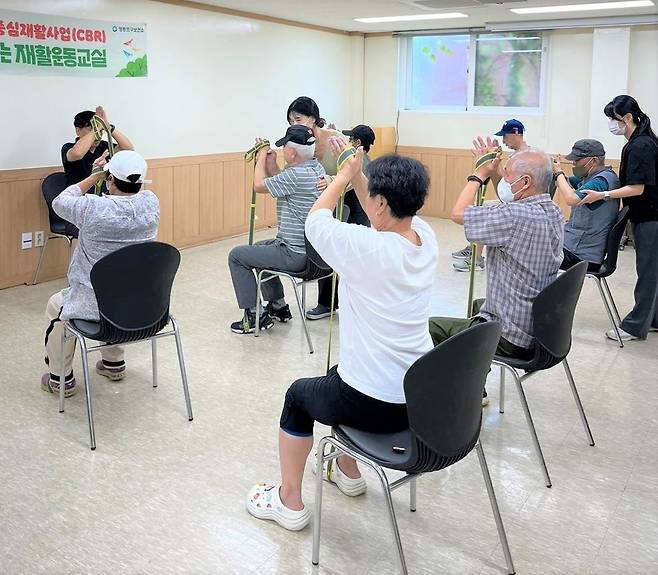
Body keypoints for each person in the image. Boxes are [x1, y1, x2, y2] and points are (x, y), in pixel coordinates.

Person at [245, 150, 437, 531]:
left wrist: (344, 176)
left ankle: (288, 502)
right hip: (418, 395)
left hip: (374, 402)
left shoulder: (365, 247)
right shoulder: (424, 237)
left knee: (299, 396)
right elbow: (377, 211)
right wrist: (359, 174)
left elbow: (315, 221)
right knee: (336, 374)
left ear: (381, 202)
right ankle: (347, 471)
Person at [430, 147, 563, 405]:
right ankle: (475, 385)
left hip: (511, 336)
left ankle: (455, 398)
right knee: (477, 306)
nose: (502, 181)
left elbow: (458, 214)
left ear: (525, 182)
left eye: (507, 175)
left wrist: (478, 174)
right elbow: (508, 210)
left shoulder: (513, 217)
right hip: (538, 326)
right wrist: (496, 172)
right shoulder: (552, 211)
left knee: (431, 327)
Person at [42, 151, 159, 397]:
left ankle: (59, 379)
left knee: (57, 306)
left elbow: (60, 201)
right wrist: (107, 176)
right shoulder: (151, 202)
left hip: (95, 305)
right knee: (118, 289)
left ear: (110, 180)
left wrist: (94, 175)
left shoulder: (93, 207)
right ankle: (113, 364)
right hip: (142, 304)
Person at [228, 124, 324, 334]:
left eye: (284, 148)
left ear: (291, 153)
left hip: (295, 254)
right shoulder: (315, 169)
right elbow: (283, 184)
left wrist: (261, 158)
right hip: (313, 254)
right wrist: (272, 164)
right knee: (260, 248)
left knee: (237, 256)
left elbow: (259, 185)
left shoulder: (296, 175)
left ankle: (254, 316)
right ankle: (278, 306)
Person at [285, 97, 372, 319]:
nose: (294, 124)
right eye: (290, 120)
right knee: (326, 246)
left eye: (298, 118)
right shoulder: (297, 141)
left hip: (352, 197)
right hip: (328, 199)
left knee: (355, 250)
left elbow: (355, 169)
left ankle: (362, 300)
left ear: (313, 119)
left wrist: (332, 178)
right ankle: (327, 302)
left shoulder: (337, 140)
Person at [580, 95, 658, 342]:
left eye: (613, 119)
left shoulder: (641, 145)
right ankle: (654, 319)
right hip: (647, 215)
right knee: (652, 272)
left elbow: (637, 188)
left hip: (651, 217)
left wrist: (602, 194)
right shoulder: (638, 142)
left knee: (648, 273)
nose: (611, 125)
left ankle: (635, 327)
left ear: (626, 118)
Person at [308, 124, 375, 320]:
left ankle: (330, 304)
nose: (347, 141)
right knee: (337, 256)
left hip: (356, 215)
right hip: (349, 213)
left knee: (341, 257)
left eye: (350, 138)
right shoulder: (353, 158)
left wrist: (330, 180)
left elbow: (349, 179)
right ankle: (329, 302)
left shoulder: (360, 162)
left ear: (358, 143)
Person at [452, 119, 529, 272]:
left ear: (515, 133)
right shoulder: (519, 155)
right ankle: (475, 249)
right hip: (516, 203)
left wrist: (493, 166)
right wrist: (496, 161)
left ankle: (477, 258)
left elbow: (506, 195)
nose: (503, 140)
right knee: (484, 206)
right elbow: (505, 186)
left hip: (520, 207)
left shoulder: (523, 158)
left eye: (505, 136)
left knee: (484, 210)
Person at [553, 139, 620, 272]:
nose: (574, 163)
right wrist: (556, 173)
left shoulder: (601, 181)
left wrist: (559, 173)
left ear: (593, 160)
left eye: (577, 160)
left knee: (531, 255)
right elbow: (564, 183)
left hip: (581, 255)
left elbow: (571, 199)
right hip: (576, 246)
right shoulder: (590, 176)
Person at [61, 106, 134, 188]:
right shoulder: (68, 147)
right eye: (91, 129)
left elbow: (129, 149)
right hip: (79, 197)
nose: (98, 135)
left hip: (101, 197)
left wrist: (107, 126)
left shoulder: (104, 146)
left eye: (101, 130)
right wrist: (97, 128)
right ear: (78, 130)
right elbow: (77, 154)